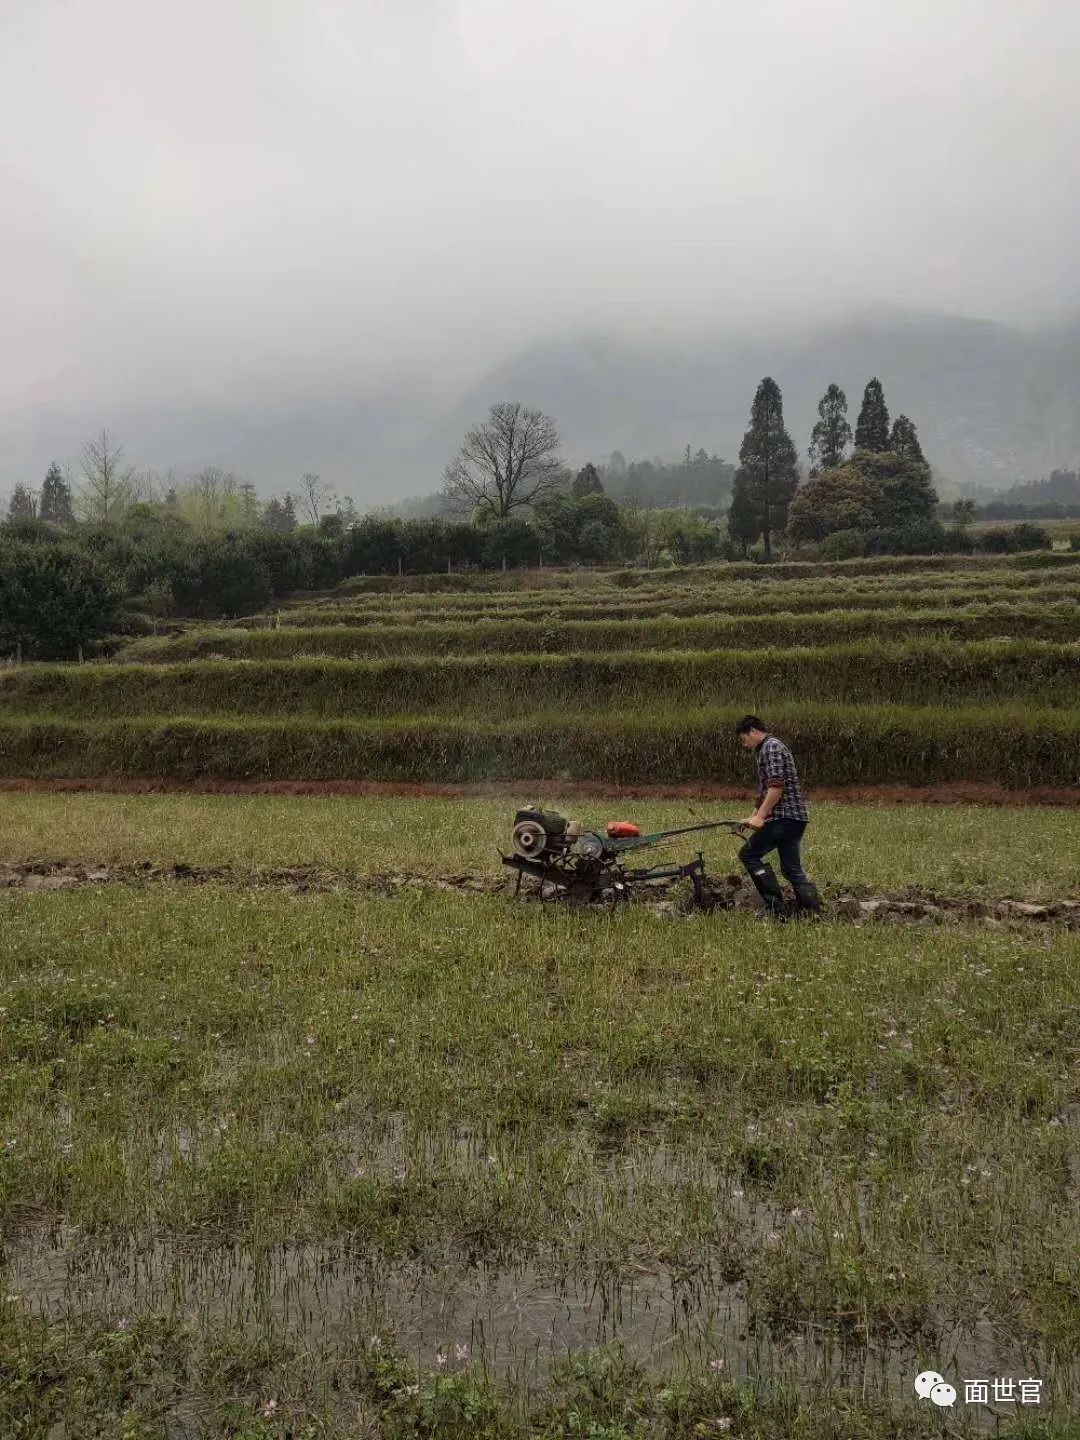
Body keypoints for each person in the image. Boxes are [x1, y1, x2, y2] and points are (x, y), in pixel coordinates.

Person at [734, 716, 821, 919]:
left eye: (744, 739)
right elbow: (765, 791)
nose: (744, 744)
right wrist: (753, 817)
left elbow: (775, 787)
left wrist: (761, 816)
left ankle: (775, 909)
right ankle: (811, 912)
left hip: (783, 818)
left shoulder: (770, 747)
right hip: (794, 819)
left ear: (753, 731)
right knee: (791, 869)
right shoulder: (766, 749)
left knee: (749, 855)